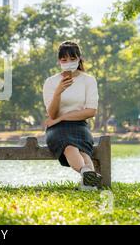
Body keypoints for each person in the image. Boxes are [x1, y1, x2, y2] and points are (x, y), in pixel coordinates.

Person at [42, 41, 102, 190]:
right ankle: (88, 177)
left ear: (79, 59)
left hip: (79, 125)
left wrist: (62, 117)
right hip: (56, 128)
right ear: (59, 61)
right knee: (69, 146)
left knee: (82, 149)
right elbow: (52, 114)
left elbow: (91, 111)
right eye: (64, 60)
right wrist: (58, 92)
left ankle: (87, 177)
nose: (68, 63)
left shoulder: (88, 80)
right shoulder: (51, 82)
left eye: (72, 59)